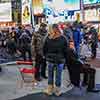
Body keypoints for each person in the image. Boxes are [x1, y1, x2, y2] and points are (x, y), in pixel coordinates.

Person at [43, 24, 68, 96]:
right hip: (60, 60)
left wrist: (46, 56)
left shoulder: (48, 38)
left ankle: (50, 90)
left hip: (50, 60)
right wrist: (65, 59)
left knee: (50, 76)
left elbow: (44, 49)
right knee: (58, 76)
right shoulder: (63, 38)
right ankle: (57, 91)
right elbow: (66, 50)